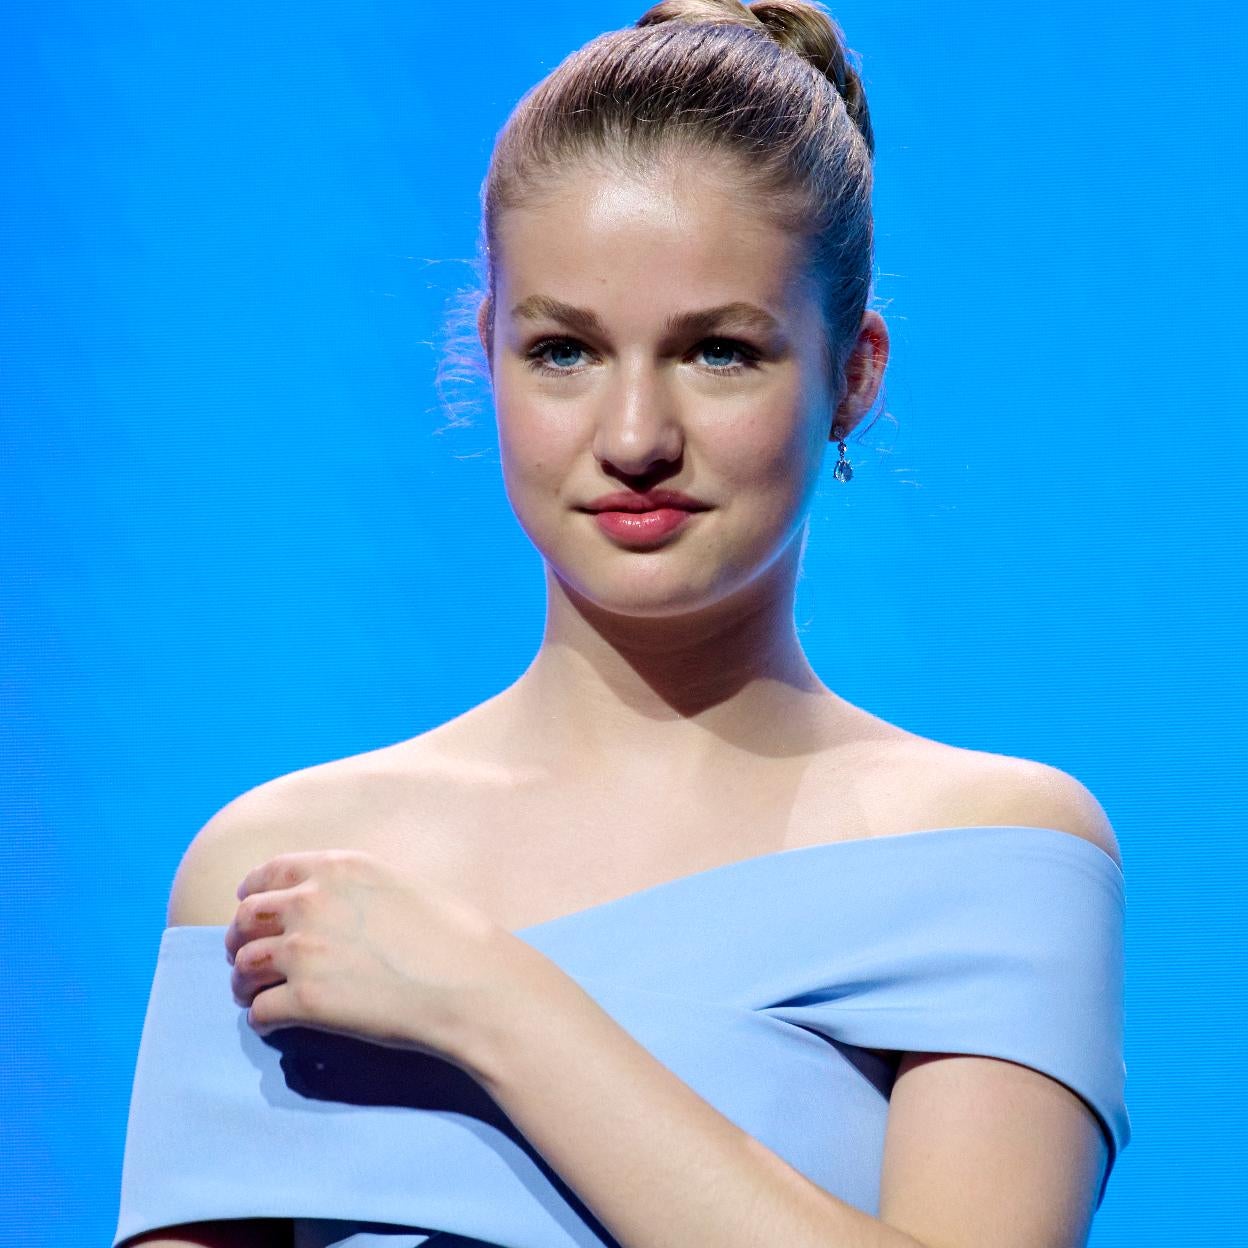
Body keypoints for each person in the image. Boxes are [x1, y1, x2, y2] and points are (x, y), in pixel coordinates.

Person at [113, 2, 1130, 1246]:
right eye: (563, 352)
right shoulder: (275, 869)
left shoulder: (992, 849)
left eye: (718, 352)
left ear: (852, 374)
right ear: (485, 352)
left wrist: (492, 1001)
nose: (636, 438)